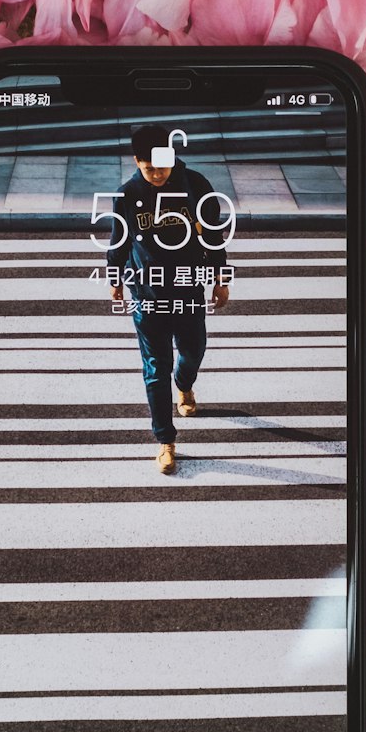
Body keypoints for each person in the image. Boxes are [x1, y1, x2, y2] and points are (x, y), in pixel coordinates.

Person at [106, 124, 231, 474]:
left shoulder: (196, 186)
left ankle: (186, 384)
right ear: (137, 161)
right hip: (147, 295)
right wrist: (114, 277)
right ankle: (165, 440)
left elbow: (215, 237)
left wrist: (221, 278)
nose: (158, 174)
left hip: (189, 289)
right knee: (154, 370)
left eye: (162, 165)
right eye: (149, 169)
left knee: (193, 351)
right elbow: (119, 241)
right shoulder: (127, 194)